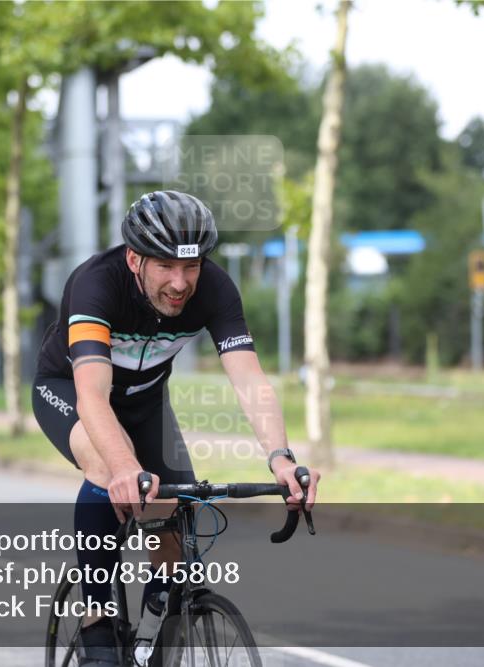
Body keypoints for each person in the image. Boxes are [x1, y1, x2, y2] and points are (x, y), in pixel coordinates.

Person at [32, 190, 320, 665]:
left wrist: (281, 459)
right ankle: (96, 619)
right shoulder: (94, 285)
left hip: (146, 403)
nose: (180, 283)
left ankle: (153, 624)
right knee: (109, 470)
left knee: (175, 505)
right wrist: (125, 466)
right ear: (134, 258)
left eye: (191, 267)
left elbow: (249, 380)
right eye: (166, 266)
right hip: (70, 392)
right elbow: (92, 395)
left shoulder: (215, 288)